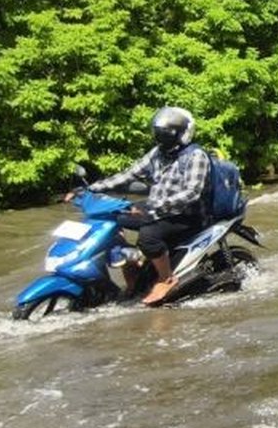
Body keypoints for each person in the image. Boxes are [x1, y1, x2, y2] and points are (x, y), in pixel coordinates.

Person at [66, 106, 211, 306]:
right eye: (158, 133)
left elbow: (192, 192)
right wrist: (92, 189)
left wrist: (156, 207)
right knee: (110, 216)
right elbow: (129, 175)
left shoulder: (196, 156)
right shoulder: (158, 153)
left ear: (181, 134)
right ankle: (131, 264)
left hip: (186, 214)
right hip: (156, 208)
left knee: (148, 237)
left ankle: (166, 278)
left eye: (166, 134)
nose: (161, 138)